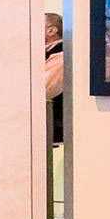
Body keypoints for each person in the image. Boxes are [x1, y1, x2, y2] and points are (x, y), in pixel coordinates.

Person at [44, 13, 65, 144]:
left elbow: (44, 89)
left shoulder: (61, 55)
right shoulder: (45, 53)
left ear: (51, 30)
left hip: (52, 130)